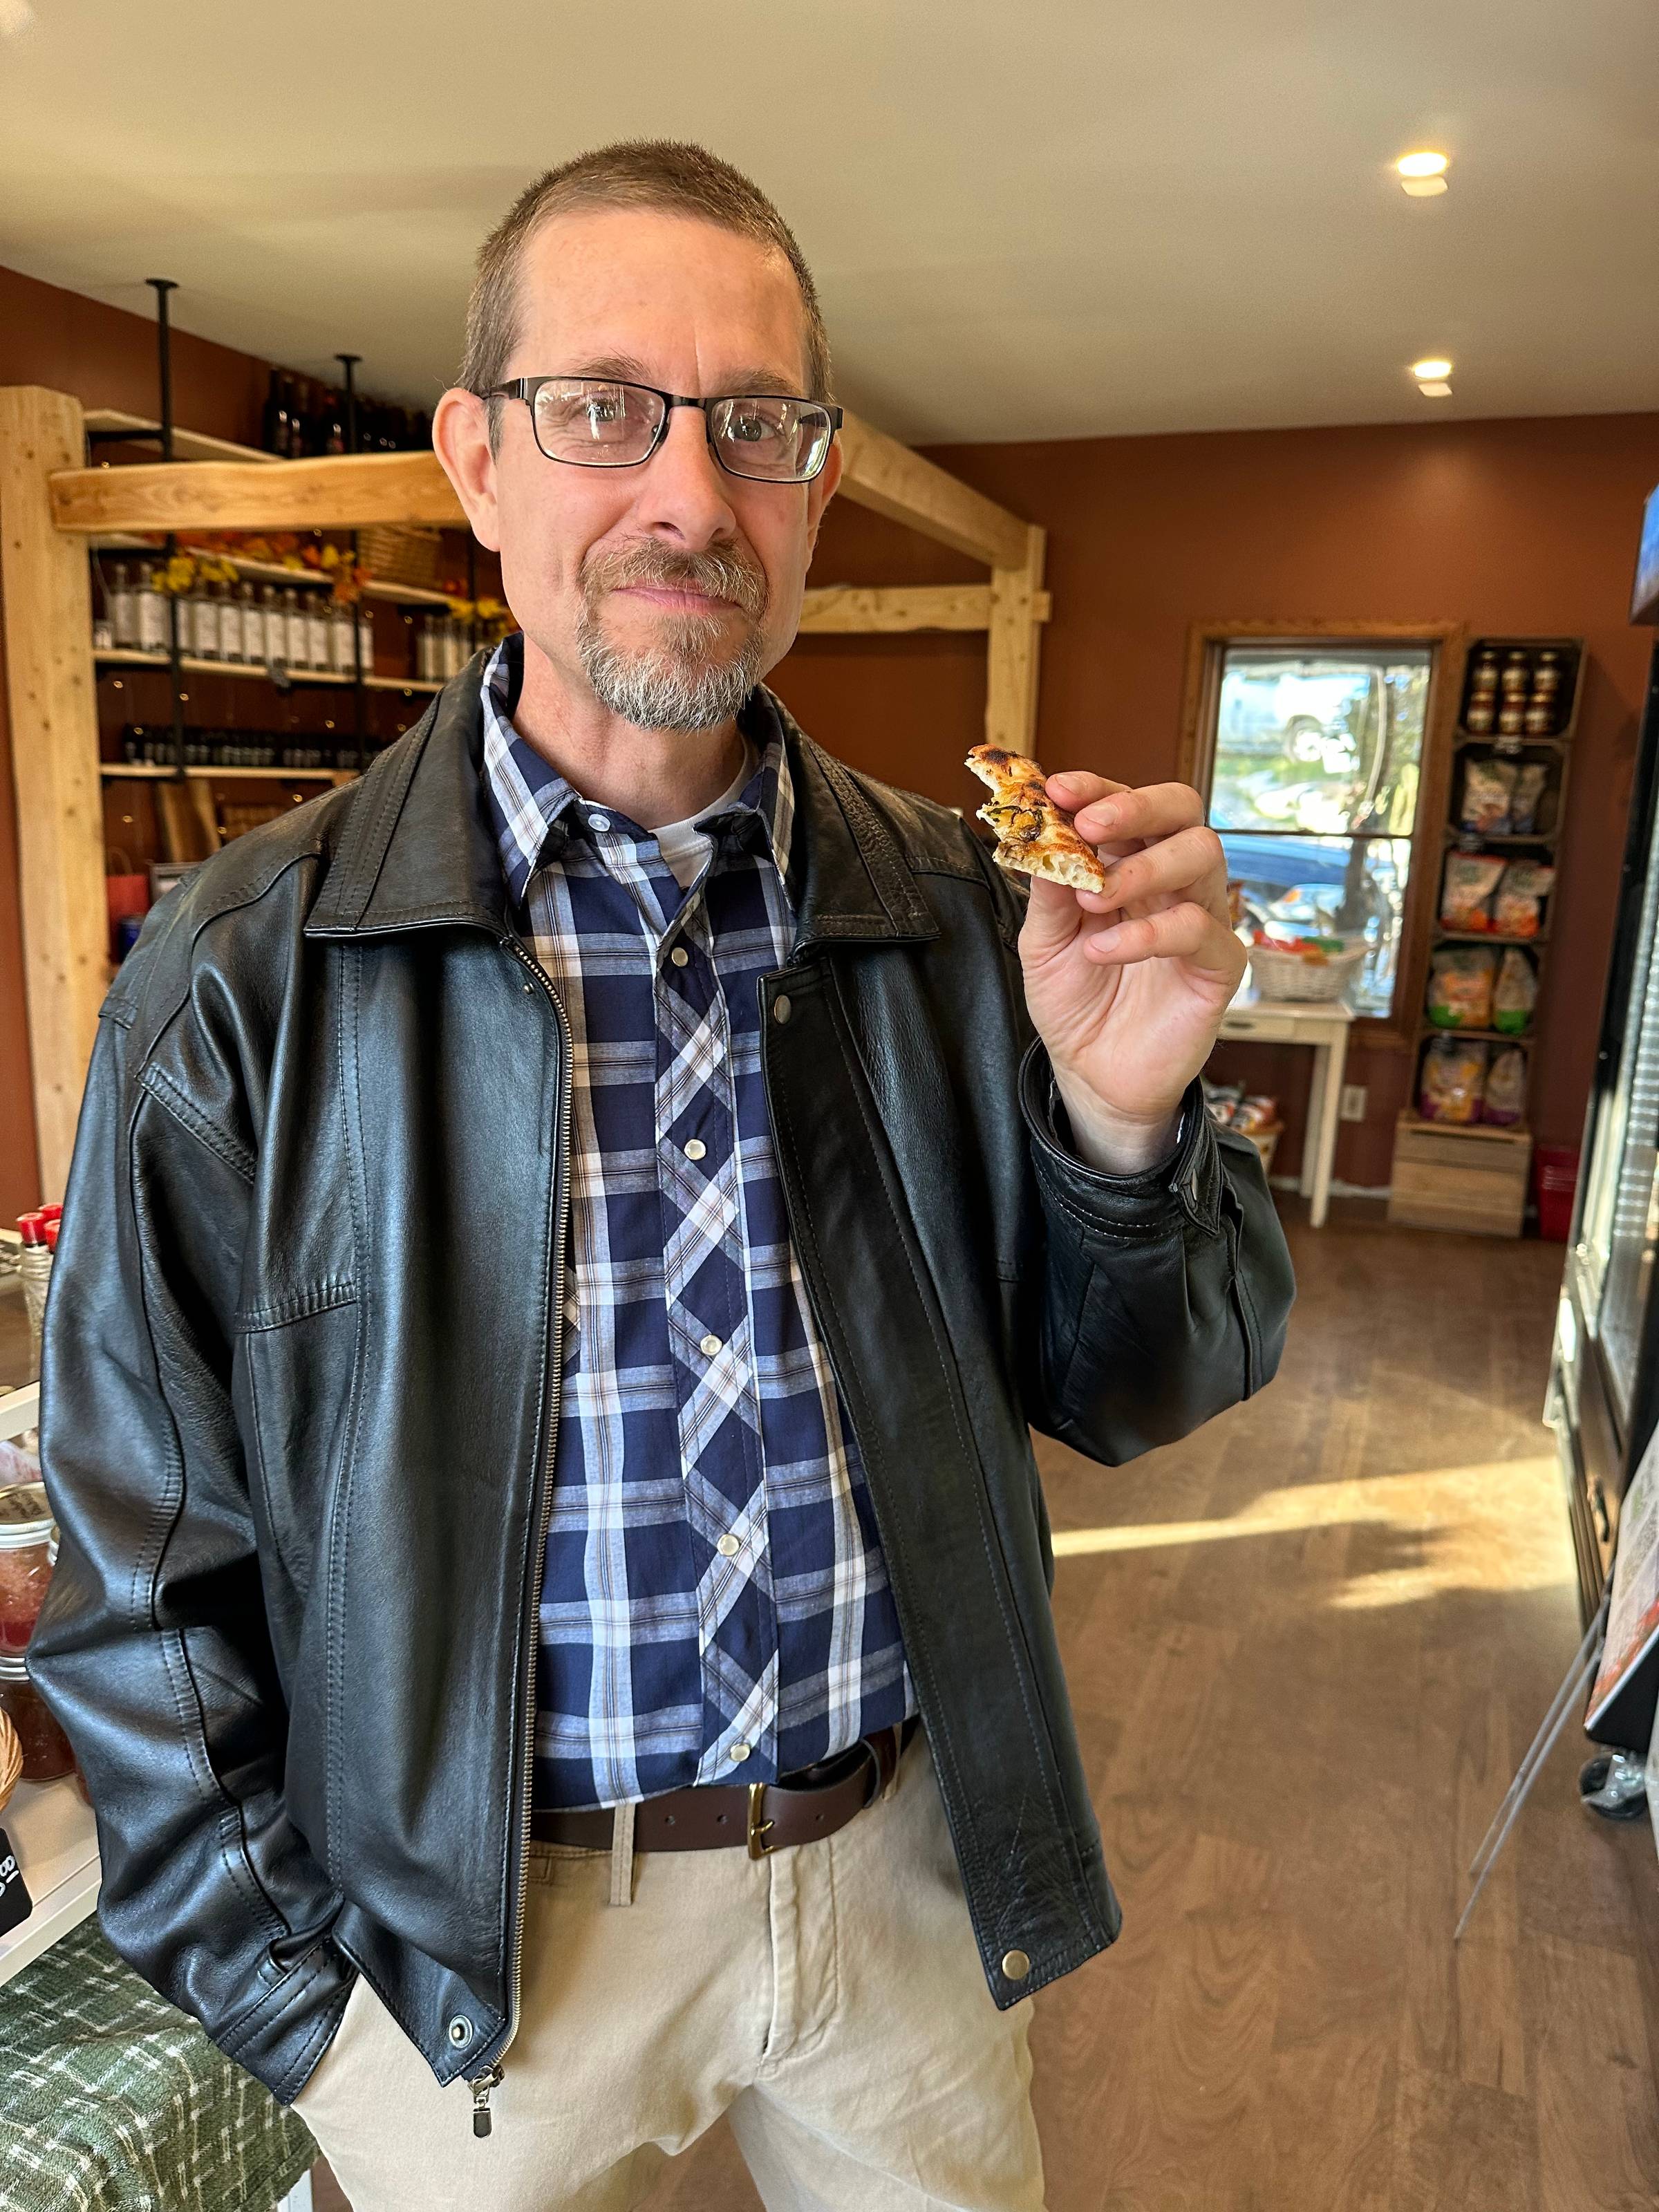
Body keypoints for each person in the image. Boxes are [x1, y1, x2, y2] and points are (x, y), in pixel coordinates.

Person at [30, 141, 1293, 2212]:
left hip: (901, 1888)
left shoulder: (968, 914)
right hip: (475, 1956)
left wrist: (1129, 1122)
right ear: (477, 457)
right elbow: (142, 1567)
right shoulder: (248, 968)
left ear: (815, 479)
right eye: (605, 408)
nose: (690, 496)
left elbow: (1143, 1386)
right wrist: (297, 2007)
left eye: (758, 427)